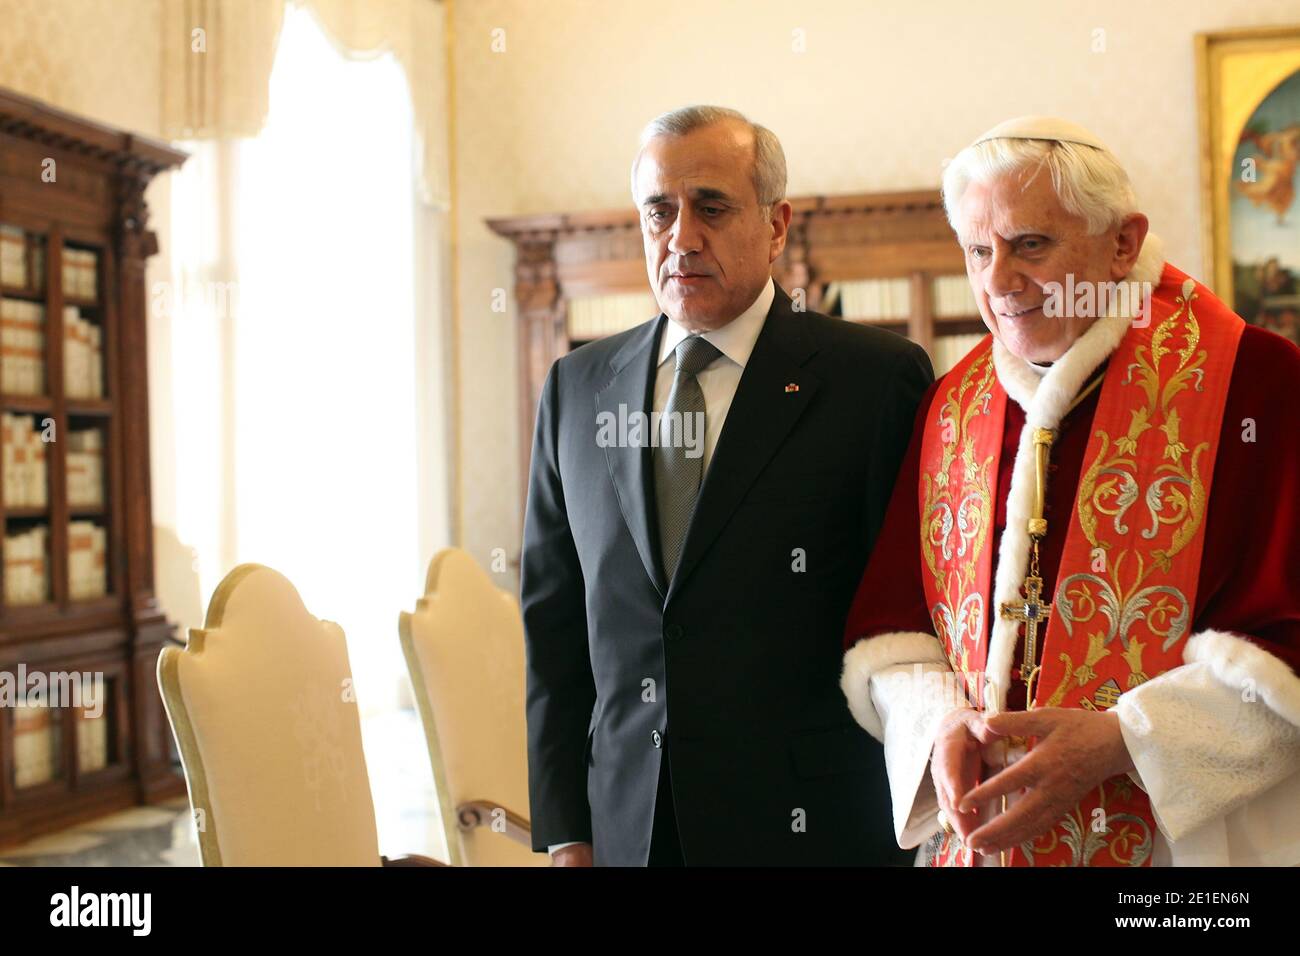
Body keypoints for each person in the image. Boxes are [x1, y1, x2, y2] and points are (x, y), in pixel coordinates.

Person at [840, 116, 1300, 867]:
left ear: (1122, 243)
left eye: (1031, 245)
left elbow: (1285, 647)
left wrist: (1126, 739)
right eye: (978, 252)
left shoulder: (1257, 382)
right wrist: (940, 724)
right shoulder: (952, 405)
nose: (997, 281)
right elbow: (897, 636)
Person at [522, 105, 932, 865]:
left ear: (776, 226)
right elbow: (553, 633)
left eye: (711, 207)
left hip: (815, 828)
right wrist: (566, 831)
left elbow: (912, 620)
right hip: (630, 826)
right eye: (659, 211)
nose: (682, 237)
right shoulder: (576, 389)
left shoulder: (874, 380)